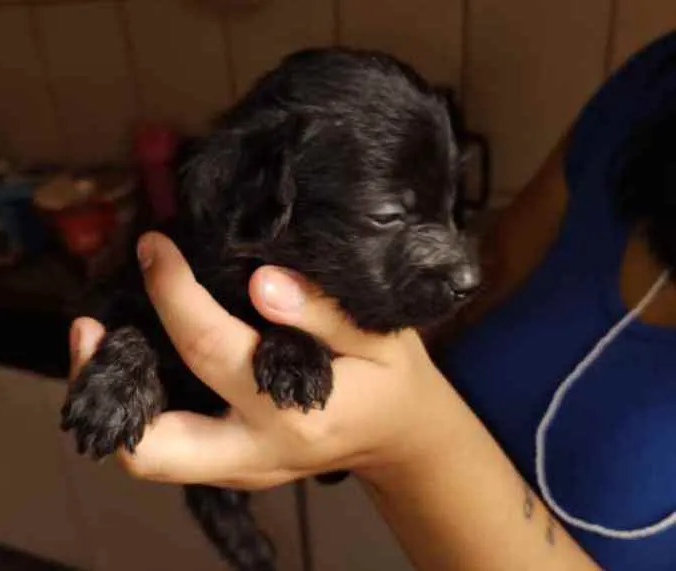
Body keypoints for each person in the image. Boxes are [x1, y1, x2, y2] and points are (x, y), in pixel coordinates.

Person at [68, 31, 676, 570]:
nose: (465, 269)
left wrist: (396, 433)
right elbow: (127, 309)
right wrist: (128, 360)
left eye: (447, 208)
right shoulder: (651, 86)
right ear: (259, 190)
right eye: (390, 215)